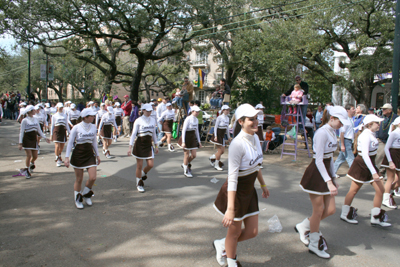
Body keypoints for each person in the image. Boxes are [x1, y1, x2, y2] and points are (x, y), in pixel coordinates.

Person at [213, 104, 269, 267]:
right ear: (241, 122)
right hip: (236, 192)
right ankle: (231, 260)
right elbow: (232, 178)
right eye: (251, 119)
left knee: (252, 231)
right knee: (235, 231)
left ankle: (223, 244)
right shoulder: (237, 144)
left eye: (256, 118)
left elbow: (256, 165)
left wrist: (263, 183)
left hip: (249, 190)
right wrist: (230, 209)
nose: (255, 121)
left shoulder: (256, 138)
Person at [296, 106, 349, 259]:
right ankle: (313, 243)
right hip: (316, 174)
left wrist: (333, 177)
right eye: (340, 121)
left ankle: (305, 225)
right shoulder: (321, 133)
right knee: (318, 211)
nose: (341, 125)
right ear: (332, 119)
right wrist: (329, 181)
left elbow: (330, 158)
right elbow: (318, 159)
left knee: (331, 209)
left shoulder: (333, 132)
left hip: (326, 172)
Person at [341, 114, 391, 228]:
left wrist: (373, 170)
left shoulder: (371, 134)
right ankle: (344, 213)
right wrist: (374, 172)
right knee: (353, 191)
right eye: (376, 123)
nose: (379, 125)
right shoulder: (365, 136)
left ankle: (376, 217)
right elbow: (365, 156)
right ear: (369, 124)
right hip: (362, 165)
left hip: (370, 164)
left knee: (380, 189)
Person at [64, 108, 101, 209]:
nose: (93, 117)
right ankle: (78, 199)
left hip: (89, 153)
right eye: (91, 116)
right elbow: (70, 143)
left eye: (93, 116)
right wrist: (67, 158)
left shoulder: (93, 127)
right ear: (85, 117)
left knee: (93, 177)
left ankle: (86, 193)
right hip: (78, 154)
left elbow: (94, 142)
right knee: (79, 179)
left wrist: (97, 155)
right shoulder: (76, 127)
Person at [128, 104, 159, 193]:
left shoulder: (153, 120)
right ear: (143, 110)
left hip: (149, 145)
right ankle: (139, 183)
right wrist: (130, 147)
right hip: (140, 144)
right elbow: (133, 134)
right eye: (147, 111)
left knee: (150, 165)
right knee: (139, 166)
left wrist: (156, 145)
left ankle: (141, 174)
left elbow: (154, 134)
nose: (149, 112)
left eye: (150, 111)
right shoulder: (138, 120)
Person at [18, 105, 50, 178]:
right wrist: (20, 143)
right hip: (27, 139)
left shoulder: (36, 119)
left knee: (35, 156)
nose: (35, 111)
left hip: (34, 139)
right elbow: (22, 132)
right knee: (29, 155)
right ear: (29, 111)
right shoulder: (24, 120)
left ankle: (31, 163)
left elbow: (39, 130)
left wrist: (45, 137)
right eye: (33, 110)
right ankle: (27, 170)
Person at [380, 117, 400, 209]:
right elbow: (386, 148)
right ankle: (386, 199)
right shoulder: (394, 133)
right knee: (390, 178)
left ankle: (388, 192)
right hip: (393, 155)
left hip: (399, 155)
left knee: (398, 180)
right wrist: (390, 161)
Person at [178, 105, 202, 177]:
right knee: (186, 155)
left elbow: (197, 131)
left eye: (198, 112)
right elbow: (184, 130)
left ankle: (185, 164)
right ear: (192, 111)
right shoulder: (188, 119)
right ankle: (186, 171)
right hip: (186, 137)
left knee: (194, 155)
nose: (197, 113)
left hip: (192, 137)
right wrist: (183, 142)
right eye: (196, 112)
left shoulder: (196, 119)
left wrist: (199, 141)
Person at [333, 104, 355, 177]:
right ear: (348, 110)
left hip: (349, 141)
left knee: (341, 159)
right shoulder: (345, 121)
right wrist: (342, 145)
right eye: (352, 109)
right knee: (350, 158)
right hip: (345, 141)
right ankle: (354, 173)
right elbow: (342, 133)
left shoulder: (351, 119)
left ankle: (332, 172)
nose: (354, 110)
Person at [376, 103, 398, 173]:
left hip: (390, 141)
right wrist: (377, 136)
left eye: (384, 109)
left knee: (390, 157)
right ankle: (377, 171)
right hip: (381, 140)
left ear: (389, 110)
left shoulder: (395, 118)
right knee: (379, 156)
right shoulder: (381, 117)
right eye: (382, 109)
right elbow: (378, 127)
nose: (383, 110)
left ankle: (388, 173)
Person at [210, 105, 231, 171]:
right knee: (219, 151)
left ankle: (212, 157)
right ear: (223, 110)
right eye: (226, 110)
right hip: (218, 134)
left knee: (222, 151)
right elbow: (215, 127)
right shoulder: (219, 117)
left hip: (222, 135)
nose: (227, 111)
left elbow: (227, 128)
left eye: (228, 110)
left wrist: (229, 137)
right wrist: (215, 136)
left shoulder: (227, 118)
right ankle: (216, 165)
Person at [51, 103, 71, 167]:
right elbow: (52, 125)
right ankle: (57, 158)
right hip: (56, 131)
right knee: (57, 146)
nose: (61, 108)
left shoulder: (65, 115)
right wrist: (51, 134)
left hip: (63, 131)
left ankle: (59, 154)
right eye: (59, 107)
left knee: (62, 146)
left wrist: (69, 132)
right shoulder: (54, 116)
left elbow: (66, 124)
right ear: (57, 108)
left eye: (62, 107)